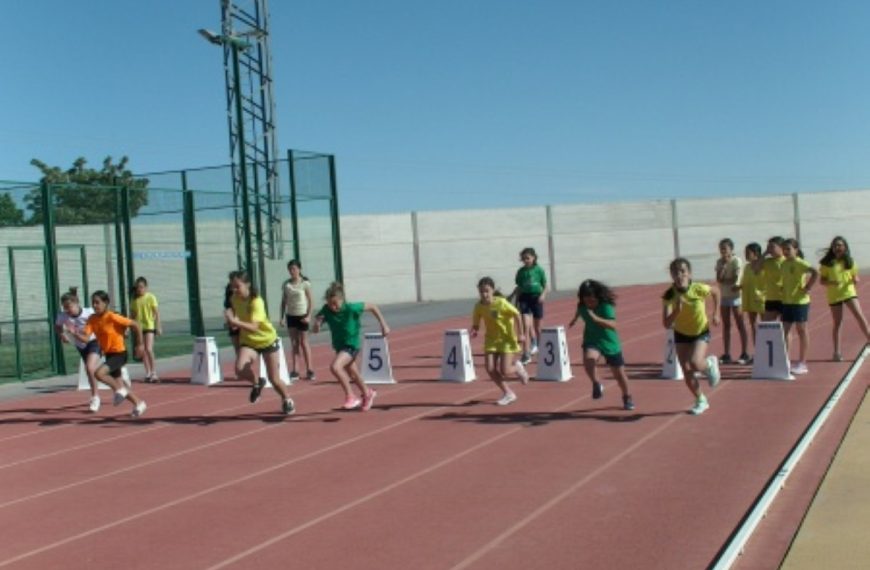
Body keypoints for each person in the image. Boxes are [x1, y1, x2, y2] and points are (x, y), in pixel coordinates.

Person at [225, 271, 295, 415]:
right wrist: (231, 322)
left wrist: (235, 322)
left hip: (267, 340)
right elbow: (236, 316)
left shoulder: (256, 301)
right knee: (239, 369)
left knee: (274, 379)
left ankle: (287, 399)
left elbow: (254, 326)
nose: (234, 290)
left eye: (237, 286)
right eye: (232, 287)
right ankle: (257, 382)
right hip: (249, 342)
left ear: (247, 285)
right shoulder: (234, 299)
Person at [312, 282, 389, 411]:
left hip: (351, 345)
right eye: (330, 303)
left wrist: (383, 324)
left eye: (336, 303)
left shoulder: (351, 308)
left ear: (342, 300)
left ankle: (350, 396)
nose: (333, 306)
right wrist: (317, 324)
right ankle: (367, 393)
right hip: (339, 346)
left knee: (335, 367)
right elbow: (319, 318)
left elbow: (373, 307)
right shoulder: (326, 309)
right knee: (353, 374)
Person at [662, 258, 721, 415]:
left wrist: (716, 313)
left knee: (695, 362)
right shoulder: (669, 295)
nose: (679, 275)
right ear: (671, 275)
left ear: (689, 273)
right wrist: (676, 310)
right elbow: (666, 324)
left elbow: (716, 292)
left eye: (683, 271)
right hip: (681, 333)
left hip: (700, 331)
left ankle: (709, 364)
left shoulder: (698, 288)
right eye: (675, 272)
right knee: (686, 369)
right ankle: (701, 399)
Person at [76, 290, 147, 418]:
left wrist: (140, 344)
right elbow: (86, 339)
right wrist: (73, 334)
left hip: (120, 354)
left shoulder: (112, 316)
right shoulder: (92, 319)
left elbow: (136, 325)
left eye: (98, 302)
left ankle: (120, 390)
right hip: (108, 354)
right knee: (120, 385)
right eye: (93, 303)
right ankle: (139, 403)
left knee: (99, 373)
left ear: (106, 303)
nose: (95, 305)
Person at [568, 279, 634, 411]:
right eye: (586, 300)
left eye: (592, 300)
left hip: (610, 342)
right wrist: (574, 320)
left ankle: (627, 396)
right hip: (592, 339)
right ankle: (596, 383)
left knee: (619, 375)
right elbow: (579, 311)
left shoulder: (606, 306)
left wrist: (595, 318)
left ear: (597, 297)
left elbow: (612, 325)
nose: (589, 303)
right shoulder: (582, 306)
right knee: (589, 359)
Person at [471, 276, 530, 406]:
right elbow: (476, 323)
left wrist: (520, 333)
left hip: (506, 339)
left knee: (505, 370)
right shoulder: (478, 306)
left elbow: (516, 314)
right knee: (490, 368)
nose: (484, 294)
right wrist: (474, 330)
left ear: (493, 290)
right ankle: (508, 393)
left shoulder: (501, 303)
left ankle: (518, 368)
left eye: (487, 291)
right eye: (481, 291)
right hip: (491, 340)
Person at [819, 236, 870, 361]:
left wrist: (855, 279)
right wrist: (831, 282)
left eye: (840, 245)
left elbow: (855, 276)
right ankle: (837, 352)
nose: (837, 248)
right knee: (838, 322)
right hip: (834, 295)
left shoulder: (849, 261)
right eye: (835, 245)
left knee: (859, 316)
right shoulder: (827, 263)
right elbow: (822, 280)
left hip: (849, 293)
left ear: (845, 247)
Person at [54, 287, 102, 413]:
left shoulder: (89, 312)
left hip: (93, 341)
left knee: (90, 368)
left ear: (76, 304)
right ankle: (108, 381)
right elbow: (57, 326)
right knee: (91, 371)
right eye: (64, 307)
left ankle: (95, 397)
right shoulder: (63, 316)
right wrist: (62, 335)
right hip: (80, 345)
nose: (67, 310)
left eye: (69, 307)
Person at [780, 238, 818, 375]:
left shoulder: (800, 262)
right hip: (787, 301)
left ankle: (802, 362)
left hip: (800, 302)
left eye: (788, 249)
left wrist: (808, 287)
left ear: (795, 250)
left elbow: (815, 272)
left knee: (801, 330)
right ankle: (786, 360)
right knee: (784, 331)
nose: (786, 252)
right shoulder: (783, 264)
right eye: (784, 249)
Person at [510, 247, 547, 365]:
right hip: (525, 299)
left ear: (533, 258)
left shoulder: (539, 270)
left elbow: (545, 285)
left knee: (538, 328)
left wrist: (543, 295)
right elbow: (519, 287)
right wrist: (515, 301)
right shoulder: (521, 272)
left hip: (536, 298)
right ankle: (526, 354)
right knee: (526, 326)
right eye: (524, 258)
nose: (526, 260)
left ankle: (542, 350)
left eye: (528, 258)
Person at [279, 260, 315, 381]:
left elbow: (311, 301)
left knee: (304, 342)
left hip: (302, 315)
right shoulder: (286, 285)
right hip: (291, 315)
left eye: (294, 269)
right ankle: (295, 370)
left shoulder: (305, 284)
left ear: (299, 269)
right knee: (294, 343)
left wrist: (309, 315)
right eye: (290, 269)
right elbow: (283, 302)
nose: (292, 271)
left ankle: (310, 369)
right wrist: (282, 317)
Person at [715, 238, 749, 364]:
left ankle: (745, 352)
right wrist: (723, 267)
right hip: (724, 296)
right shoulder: (719, 262)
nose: (722, 251)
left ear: (731, 249)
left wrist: (725, 280)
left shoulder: (737, 261)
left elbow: (735, 279)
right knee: (726, 325)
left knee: (740, 324)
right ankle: (727, 353)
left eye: (725, 248)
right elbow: (719, 278)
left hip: (735, 296)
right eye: (721, 249)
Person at [129, 276, 161, 382]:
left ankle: (154, 372)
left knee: (149, 349)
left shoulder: (151, 297)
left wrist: (158, 326)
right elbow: (132, 315)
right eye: (138, 288)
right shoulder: (134, 300)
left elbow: (156, 313)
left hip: (149, 326)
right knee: (142, 351)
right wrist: (128, 327)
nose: (140, 289)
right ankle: (147, 373)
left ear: (146, 287)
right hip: (139, 328)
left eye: (142, 287)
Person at [736, 242, 766, 351]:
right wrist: (738, 287)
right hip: (749, 297)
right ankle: (757, 350)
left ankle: (766, 349)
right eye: (745, 252)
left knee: (765, 325)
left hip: (761, 298)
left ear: (756, 253)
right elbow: (744, 281)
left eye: (748, 253)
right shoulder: (747, 267)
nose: (746, 255)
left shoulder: (763, 265)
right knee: (753, 325)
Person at [761, 236, 786, 321]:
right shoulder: (768, 262)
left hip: (785, 299)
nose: (770, 250)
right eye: (768, 247)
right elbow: (755, 268)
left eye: (772, 247)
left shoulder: (787, 261)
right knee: (767, 325)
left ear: (781, 247)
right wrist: (764, 253)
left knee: (785, 327)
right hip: (771, 298)